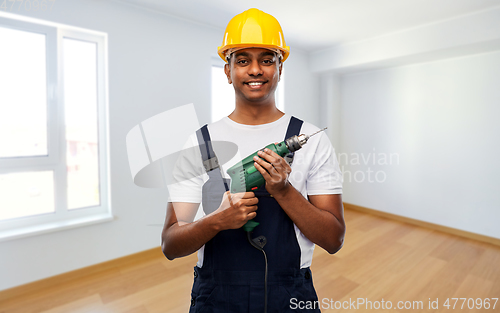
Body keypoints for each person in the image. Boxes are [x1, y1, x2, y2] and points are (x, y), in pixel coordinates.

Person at [162, 8, 345, 312]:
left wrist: (284, 191)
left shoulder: (313, 140)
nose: (255, 69)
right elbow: (170, 244)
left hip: (289, 294)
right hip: (216, 297)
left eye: (267, 60)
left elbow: (333, 239)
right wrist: (216, 221)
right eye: (243, 60)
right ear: (227, 70)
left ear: (280, 68)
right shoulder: (199, 143)